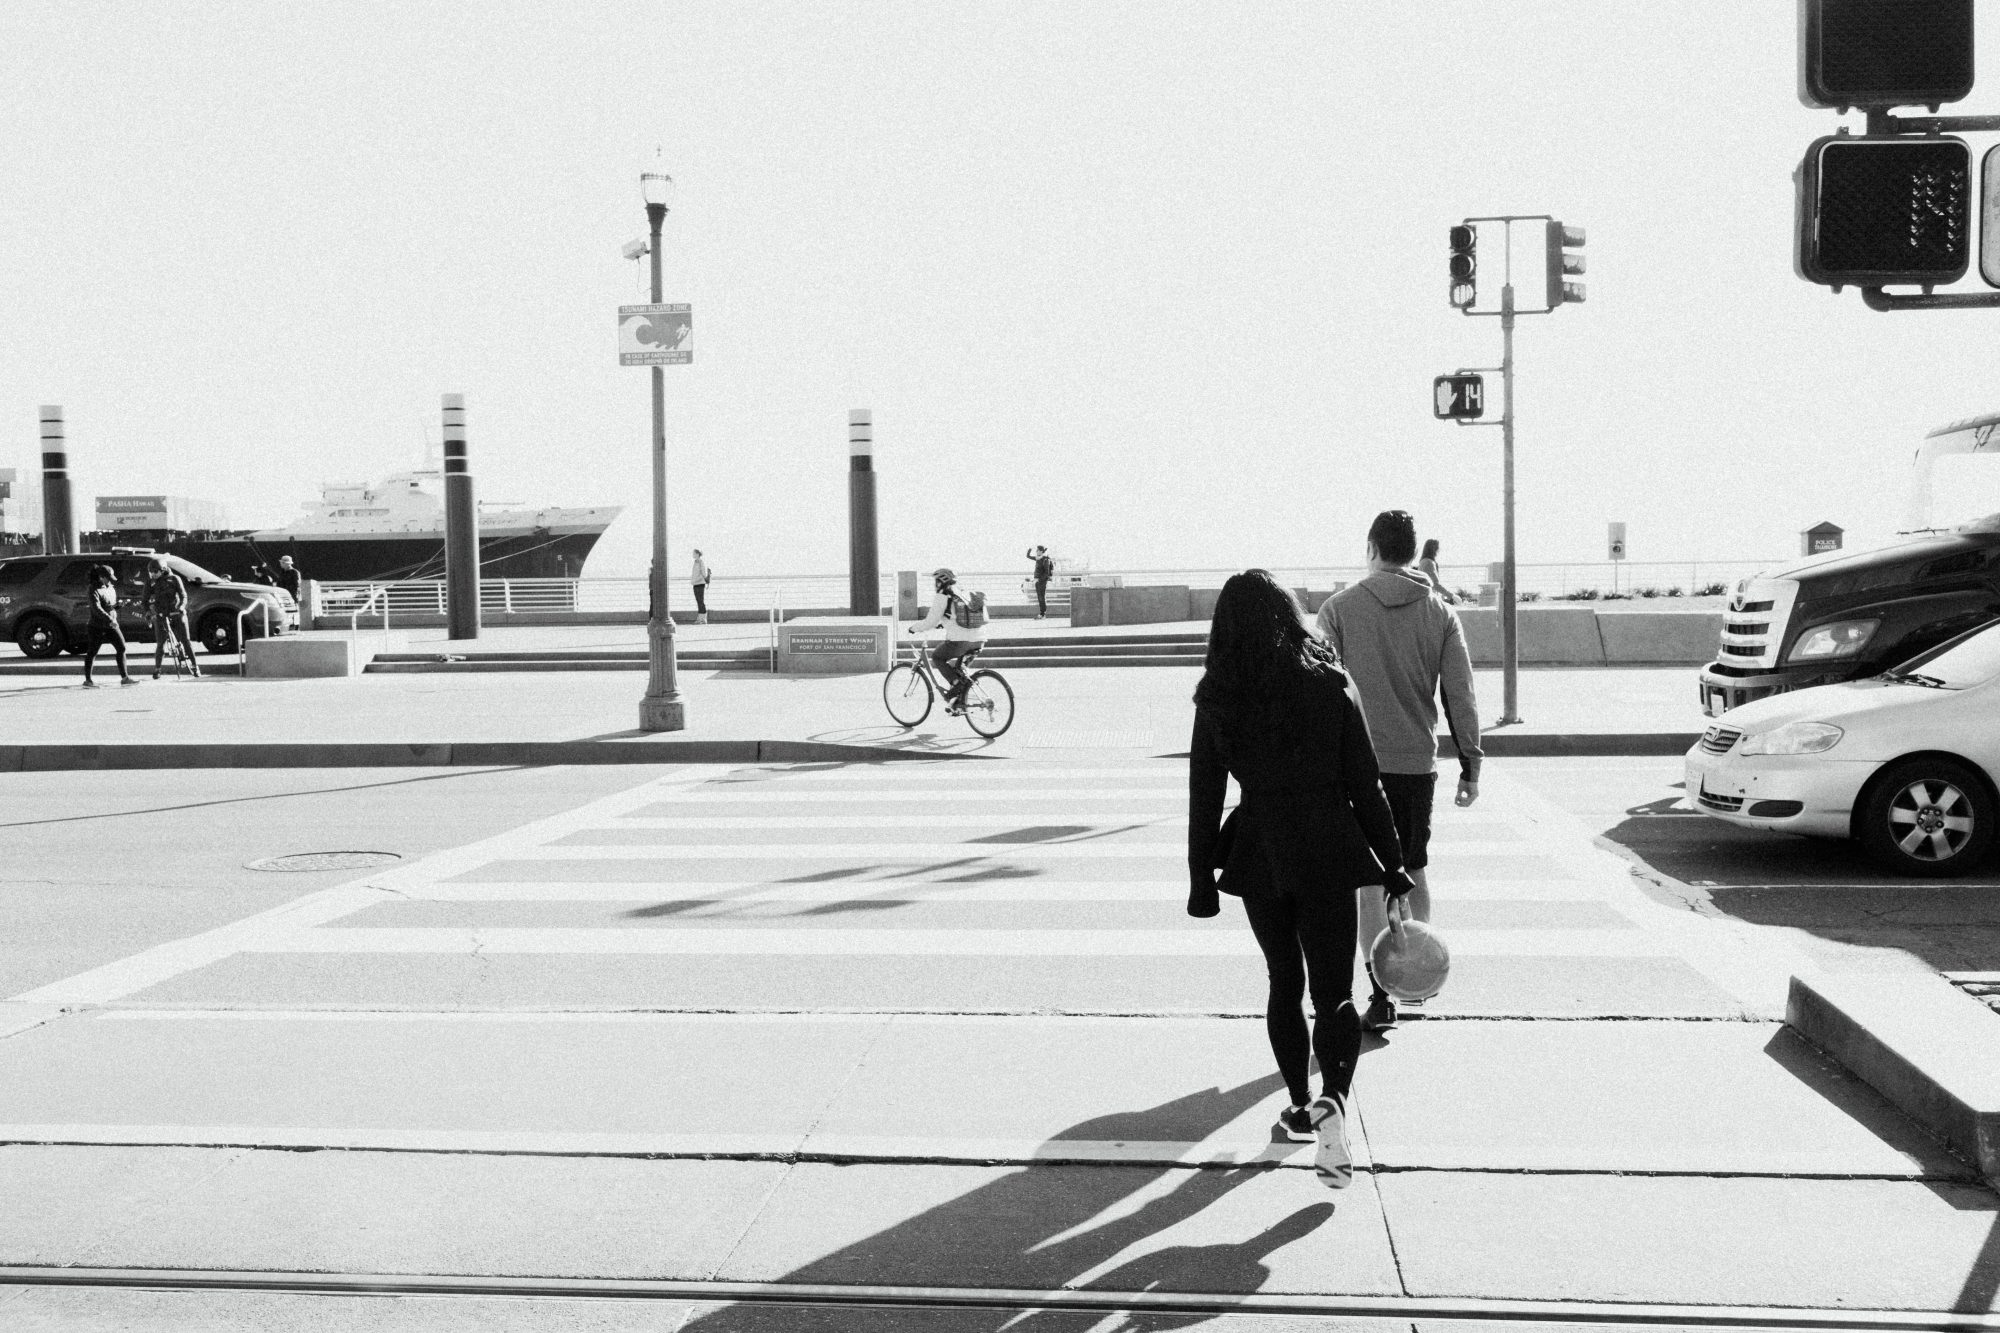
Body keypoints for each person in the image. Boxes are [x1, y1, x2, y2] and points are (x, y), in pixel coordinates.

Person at [1187, 569, 1415, 1189]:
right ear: (1290, 617)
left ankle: (1298, 1106)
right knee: (1334, 990)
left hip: (1260, 850)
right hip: (1329, 846)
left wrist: (1200, 878)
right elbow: (1366, 785)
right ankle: (1333, 1098)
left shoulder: (1218, 695)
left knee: (1283, 982)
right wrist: (1394, 865)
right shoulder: (1330, 683)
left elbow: (1204, 797)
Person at [1316, 511, 1482, 1032]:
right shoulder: (1440, 612)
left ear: (1372, 548)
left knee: (1368, 885)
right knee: (1412, 869)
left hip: (1355, 768)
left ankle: (1378, 993)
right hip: (1414, 765)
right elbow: (1460, 695)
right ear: (1411, 553)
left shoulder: (1338, 610)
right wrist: (1471, 764)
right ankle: (1416, 980)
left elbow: (1322, 692)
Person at [906, 567, 986, 711]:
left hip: (960, 641)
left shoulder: (942, 596)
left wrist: (914, 628)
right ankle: (958, 702)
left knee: (937, 657)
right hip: (980, 639)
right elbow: (956, 616)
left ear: (940, 582)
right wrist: (942, 624)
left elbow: (930, 621)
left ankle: (956, 685)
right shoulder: (961, 593)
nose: (934, 584)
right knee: (959, 670)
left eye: (935, 581)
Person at [144, 558, 201, 680]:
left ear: (163, 570)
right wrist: (148, 612)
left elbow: (183, 595)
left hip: (176, 612)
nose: (153, 574)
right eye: (150, 572)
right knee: (160, 643)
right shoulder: (150, 582)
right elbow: (144, 600)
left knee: (185, 640)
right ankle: (157, 669)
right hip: (161, 614)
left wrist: (181, 607)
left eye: (155, 571)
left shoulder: (174, 579)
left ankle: (195, 666)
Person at [81, 564, 135, 687]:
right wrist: (110, 619)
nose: (110, 581)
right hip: (97, 626)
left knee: (121, 647)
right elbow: (96, 608)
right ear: (101, 577)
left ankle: (125, 678)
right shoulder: (93, 589)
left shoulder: (110, 588)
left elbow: (109, 606)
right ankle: (88, 680)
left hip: (111, 624)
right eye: (108, 578)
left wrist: (118, 605)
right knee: (92, 652)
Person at [1417, 538, 1456, 605]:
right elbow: (1435, 584)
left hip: (1425, 599)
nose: (1439, 550)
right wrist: (1452, 596)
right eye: (1438, 548)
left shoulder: (1423, 561)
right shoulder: (1429, 563)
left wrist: (1443, 597)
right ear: (1434, 549)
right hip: (1430, 601)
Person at [1026, 545, 1055, 619]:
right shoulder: (1037, 558)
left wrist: (1040, 580)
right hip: (1037, 581)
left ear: (1041, 551)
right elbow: (1028, 556)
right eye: (1036, 550)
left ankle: (1043, 614)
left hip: (1041, 581)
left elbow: (1046, 572)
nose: (1036, 551)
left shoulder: (1045, 559)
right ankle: (1042, 614)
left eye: (1037, 550)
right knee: (1040, 597)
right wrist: (1030, 548)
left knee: (1041, 597)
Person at [690, 549, 711, 625]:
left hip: (700, 583)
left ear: (697, 554)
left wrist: (702, 579)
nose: (693, 555)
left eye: (694, 553)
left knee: (700, 601)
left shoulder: (700, 562)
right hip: (695, 584)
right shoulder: (695, 562)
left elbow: (703, 573)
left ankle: (703, 619)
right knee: (698, 601)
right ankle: (700, 618)